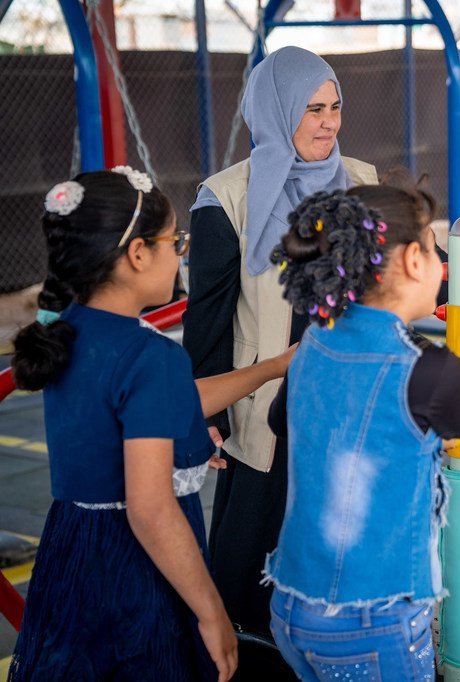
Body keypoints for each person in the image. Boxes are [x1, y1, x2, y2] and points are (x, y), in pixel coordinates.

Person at [8, 168, 293, 681]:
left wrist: (272, 367)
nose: (180, 252)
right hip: (134, 569)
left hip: (72, 549)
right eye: (173, 241)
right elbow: (150, 509)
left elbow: (164, 403)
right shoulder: (149, 355)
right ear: (137, 254)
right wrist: (211, 611)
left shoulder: (67, 330)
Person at [182, 46, 380, 642]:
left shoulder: (360, 181)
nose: (329, 122)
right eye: (312, 108)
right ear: (275, 111)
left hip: (346, 395)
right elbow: (209, 318)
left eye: (335, 106)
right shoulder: (226, 198)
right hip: (265, 402)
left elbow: (409, 269)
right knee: (251, 555)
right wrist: (207, 413)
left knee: (337, 549)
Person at [263, 186, 460, 681]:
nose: (439, 263)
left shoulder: (315, 337)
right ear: (411, 259)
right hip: (372, 620)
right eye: (434, 249)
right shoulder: (429, 368)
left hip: (292, 604)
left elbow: (283, 421)